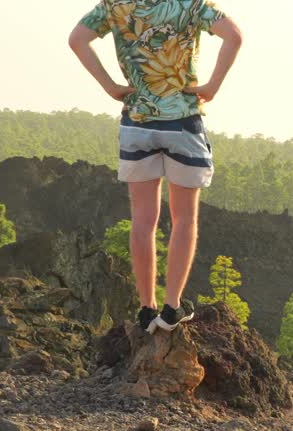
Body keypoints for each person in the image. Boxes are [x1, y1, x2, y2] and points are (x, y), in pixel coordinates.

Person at [69, 1, 242, 333]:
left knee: (142, 221)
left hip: (137, 123)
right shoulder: (191, 5)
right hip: (183, 122)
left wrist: (110, 86)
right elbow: (233, 35)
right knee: (183, 219)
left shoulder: (116, 5)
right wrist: (211, 86)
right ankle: (172, 307)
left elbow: (77, 39)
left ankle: (146, 309)